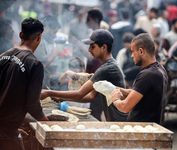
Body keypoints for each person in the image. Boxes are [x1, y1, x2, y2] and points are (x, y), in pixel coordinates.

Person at [41, 29, 128, 122]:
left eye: (93, 47)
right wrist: (62, 98)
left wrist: (48, 93)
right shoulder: (109, 66)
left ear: (104, 47)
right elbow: (90, 97)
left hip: (120, 120)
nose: (89, 50)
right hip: (116, 119)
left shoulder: (107, 68)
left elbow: (80, 94)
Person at [0, 17, 48, 150]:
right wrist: (47, 124)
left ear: (20, 35)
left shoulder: (4, 55)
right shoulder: (34, 64)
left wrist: (13, 130)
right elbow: (32, 104)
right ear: (39, 38)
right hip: (7, 133)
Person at [111, 33, 168, 124]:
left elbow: (125, 107)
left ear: (141, 51)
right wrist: (116, 89)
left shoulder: (147, 74)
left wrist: (115, 99)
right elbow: (140, 93)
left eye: (133, 51)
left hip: (142, 130)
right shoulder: (160, 69)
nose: (132, 56)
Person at [34, 15, 62, 89]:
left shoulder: (41, 41)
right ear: (46, 28)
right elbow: (39, 67)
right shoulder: (38, 42)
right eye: (54, 32)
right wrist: (53, 54)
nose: (55, 36)